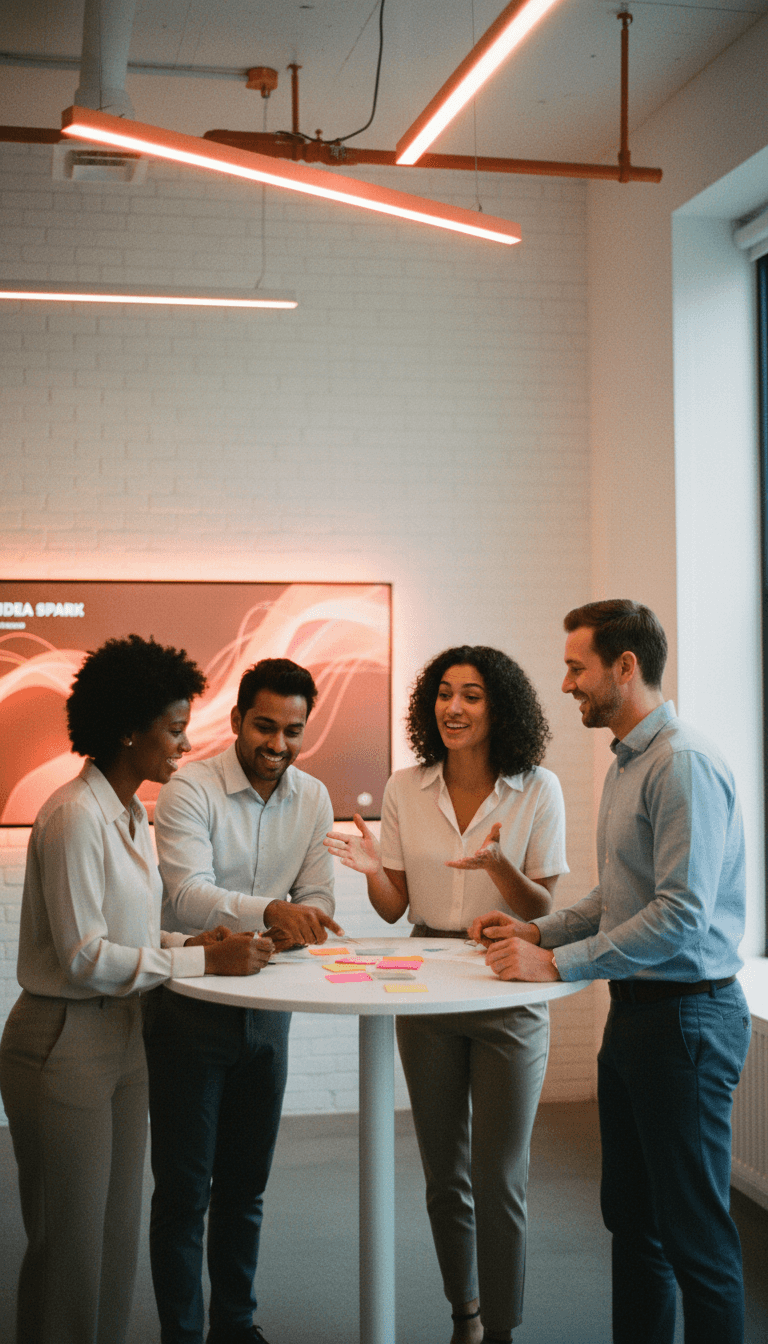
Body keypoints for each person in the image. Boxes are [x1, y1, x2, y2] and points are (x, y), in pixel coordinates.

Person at [471, 600, 752, 1344]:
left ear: (625, 667)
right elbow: (616, 898)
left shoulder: (681, 763)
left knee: (694, 1238)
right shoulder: (630, 761)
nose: (566, 684)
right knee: (634, 1224)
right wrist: (536, 928)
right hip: (637, 1018)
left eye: (576, 667)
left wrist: (553, 963)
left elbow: (680, 917)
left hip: (686, 1023)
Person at [0, 634, 271, 1344]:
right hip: (63, 1038)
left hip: (122, 1033)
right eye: (175, 728)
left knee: (116, 1238)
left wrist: (194, 945)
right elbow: (86, 956)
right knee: (71, 1247)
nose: (186, 743)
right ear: (128, 728)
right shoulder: (72, 817)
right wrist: (200, 966)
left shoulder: (127, 813)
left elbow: (136, 933)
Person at [325, 645, 567, 1344]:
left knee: (501, 1180)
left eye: (472, 696)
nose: (454, 708)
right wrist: (374, 869)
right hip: (426, 987)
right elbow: (396, 909)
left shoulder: (536, 788)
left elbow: (545, 903)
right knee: (445, 1174)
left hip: (505, 984)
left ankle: (504, 1329)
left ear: (501, 709)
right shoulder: (406, 787)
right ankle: (464, 1315)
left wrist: (497, 864)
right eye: (443, 695)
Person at [146, 656, 344, 1344]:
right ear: (236, 721)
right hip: (187, 1010)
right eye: (265, 726)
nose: (278, 745)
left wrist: (298, 919)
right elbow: (187, 892)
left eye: (293, 731)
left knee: (245, 1189)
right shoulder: (188, 789)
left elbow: (319, 898)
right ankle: (183, 1334)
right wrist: (274, 910)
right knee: (183, 1192)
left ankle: (237, 1323)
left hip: (268, 1010)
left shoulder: (313, 798)